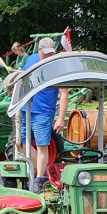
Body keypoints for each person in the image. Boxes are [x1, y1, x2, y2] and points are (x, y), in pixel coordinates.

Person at [19, 36, 68, 193]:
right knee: (21, 144)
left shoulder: (57, 66)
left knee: (42, 145)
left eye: (50, 53)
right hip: (26, 108)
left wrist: (60, 118)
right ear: (39, 51)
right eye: (45, 53)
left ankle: (39, 179)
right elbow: (20, 80)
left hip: (44, 111)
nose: (48, 56)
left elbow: (64, 93)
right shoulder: (31, 60)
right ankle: (44, 172)